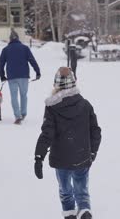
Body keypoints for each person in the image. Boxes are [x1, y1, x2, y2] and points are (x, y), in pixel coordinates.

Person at [34, 67, 102, 219]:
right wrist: (92, 152)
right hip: (82, 156)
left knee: (65, 190)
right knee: (81, 189)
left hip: (61, 159)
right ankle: (84, 210)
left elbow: (47, 134)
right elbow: (95, 131)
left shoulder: (52, 107)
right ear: (74, 83)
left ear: (55, 85)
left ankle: (69, 213)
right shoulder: (85, 104)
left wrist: (39, 156)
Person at [0, 29, 41, 124]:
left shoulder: (5, 50)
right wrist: (37, 72)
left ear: (10, 39)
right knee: (23, 95)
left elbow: (0, 64)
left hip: (11, 76)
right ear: (18, 38)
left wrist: (2, 76)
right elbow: (32, 60)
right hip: (24, 76)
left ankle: (17, 116)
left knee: (14, 96)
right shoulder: (25, 48)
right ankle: (23, 113)